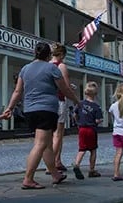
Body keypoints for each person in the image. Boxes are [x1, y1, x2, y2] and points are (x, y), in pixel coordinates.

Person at [4, 41, 80, 190]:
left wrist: (10, 107)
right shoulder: (52, 68)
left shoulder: (25, 69)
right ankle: (28, 179)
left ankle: (55, 175)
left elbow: (18, 91)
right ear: (49, 55)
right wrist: (77, 101)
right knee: (40, 144)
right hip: (46, 110)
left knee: (47, 145)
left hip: (30, 110)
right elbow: (64, 89)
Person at [71, 81, 103, 180]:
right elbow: (98, 120)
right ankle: (92, 170)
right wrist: (97, 121)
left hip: (81, 129)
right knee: (93, 150)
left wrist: (78, 123)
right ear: (96, 93)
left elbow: (75, 114)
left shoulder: (80, 103)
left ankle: (76, 164)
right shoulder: (96, 107)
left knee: (82, 149)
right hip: (91, 129)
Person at [50, 43, 71, 172]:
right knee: (58, 134)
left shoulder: (46, 66)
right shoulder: (61, 66)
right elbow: (66, 86)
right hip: (59, 100)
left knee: (51, 134)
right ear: (62, 55)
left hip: (48, 101)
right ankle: (52, 163)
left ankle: (57, 160)